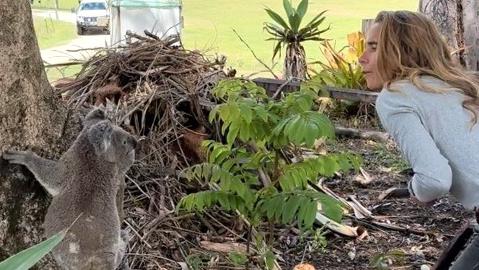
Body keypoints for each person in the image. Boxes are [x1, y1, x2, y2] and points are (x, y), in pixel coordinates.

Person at [359, 11, 479, 269]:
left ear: (401, 51)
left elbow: (435, 179)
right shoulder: (453, 87)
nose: (361, 58)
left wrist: (417, 191)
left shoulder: (395, 96)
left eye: (374, 47)